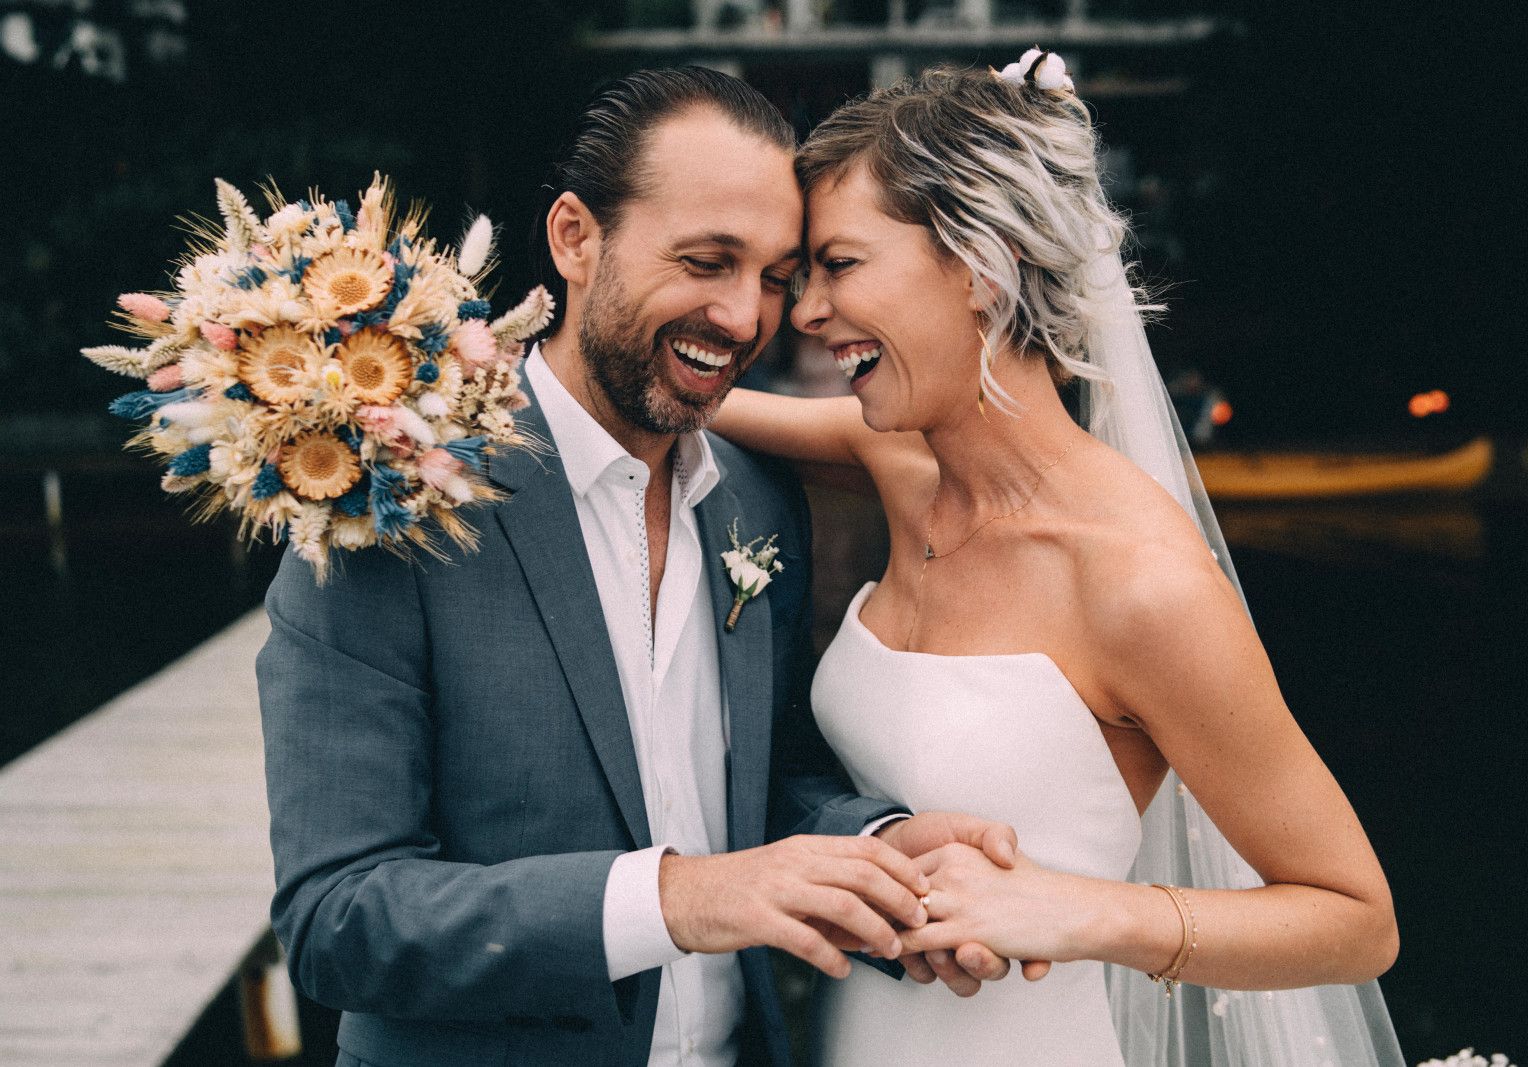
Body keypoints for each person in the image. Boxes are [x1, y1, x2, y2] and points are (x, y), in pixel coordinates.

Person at [255, 66, 1015, 1067]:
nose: (744, 318)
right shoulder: (387, 504)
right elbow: (336, 916)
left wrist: (873, 850)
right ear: (575, 237)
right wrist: (675, 896)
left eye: (776, 278)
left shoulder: (755, 495)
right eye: (706, 260)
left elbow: (767, 774)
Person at [711, 56, 1405, 1065]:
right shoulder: (899, 462)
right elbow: (662, 399)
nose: (804, 312)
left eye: (840, 265)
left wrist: (1084, 910)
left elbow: (1355, 916)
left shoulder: (1140, 583)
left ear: (979, 269)